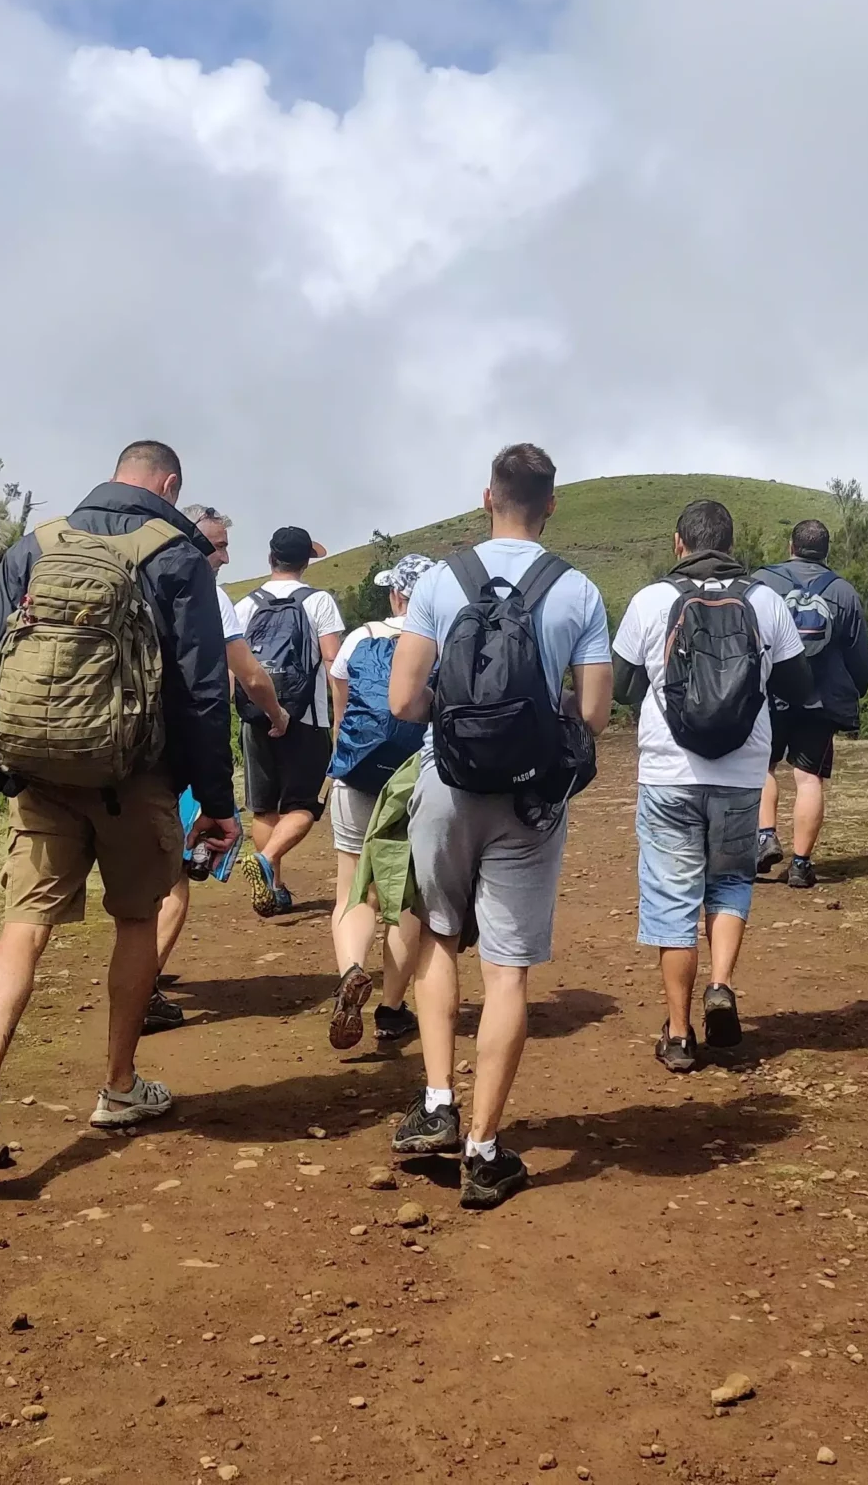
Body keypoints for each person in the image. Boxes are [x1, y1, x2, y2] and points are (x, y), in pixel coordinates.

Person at [0, 440, 241, 1189]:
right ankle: (119, 1085)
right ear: (168, 484)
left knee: (23, 925)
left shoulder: (39, 543)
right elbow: (202, 693)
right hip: (136, 775)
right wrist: (218, 805)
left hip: (37, 773)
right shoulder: (178, 553)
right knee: (138, 919)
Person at [385, 443, 612, 1209]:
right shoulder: (578, 591)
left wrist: (461, 717)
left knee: (440, 939)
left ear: (488, 497)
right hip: (531, 802)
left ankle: (438, 1103)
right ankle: (483, 1151)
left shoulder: (441, 582)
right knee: (508, 970)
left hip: (447, 783)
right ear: (552, 504)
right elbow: (593, 716)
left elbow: (403, 701)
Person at [611, 500, 812, 1072]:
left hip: (668, 775)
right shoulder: (765, 601)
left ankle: (678, 1033)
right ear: (730, 541)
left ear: (680, 544)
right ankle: (720, 985)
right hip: (743, 774)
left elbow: (624, 687)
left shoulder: (652, 600)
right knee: (727, 884)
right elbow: (799, 678)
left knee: (674, 901)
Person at [141, 505, 287, 1034]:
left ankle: (135, 977)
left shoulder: (135, 573)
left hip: (126, 751)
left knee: (142, 879)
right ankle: (142, 992)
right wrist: (277, 714)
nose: (223, 557)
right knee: (177, 877)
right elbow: (247, 672)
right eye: (217, 545)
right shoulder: (208, 593)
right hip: (179, 756)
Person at [321, 552, 437, 1050]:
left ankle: (351, 969)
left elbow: (341, 710)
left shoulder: (359, 638)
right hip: (416, 780)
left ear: (395, 594)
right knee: (407, 895)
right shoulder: (442, 643)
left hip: (357, 773)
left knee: (353, 885)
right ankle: (391, 1009)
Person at [753, 519, 868, 889]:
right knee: (808, 779)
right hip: (820, 701)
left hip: (770, 694)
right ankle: (802, 865)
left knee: (763, 766)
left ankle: (765, 837)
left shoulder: (762, 582)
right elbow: (860, 660)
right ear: (826, 550)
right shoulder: (844, 592)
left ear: (791, 546)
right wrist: (854, 690)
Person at [237, 527, 345, 918]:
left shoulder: (247, 605)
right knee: (304, 804)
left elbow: (234, 667)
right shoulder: (319, 602)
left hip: (256, 717)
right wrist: (340, 717)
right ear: (305, 562)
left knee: (265, 808)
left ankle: (274, 888)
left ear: (271, 558)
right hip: (308, 718)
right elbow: (334, 662)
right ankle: (266, 861)